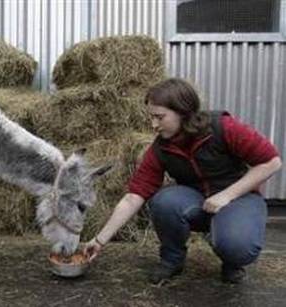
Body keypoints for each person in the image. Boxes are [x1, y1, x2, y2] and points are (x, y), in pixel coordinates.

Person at [83, 78, 282, 284]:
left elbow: (272, 162)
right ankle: (172, 259)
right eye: (151, 117)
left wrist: (226, 195)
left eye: (160, 117)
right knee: (163, 201)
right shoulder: (161, 148)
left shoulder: (223, 127)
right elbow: (134, 197)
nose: (154, 125)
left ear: (183, 112)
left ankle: (232, 260)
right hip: (197, 202)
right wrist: (99, 240)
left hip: (239, 199)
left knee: (237, 247)